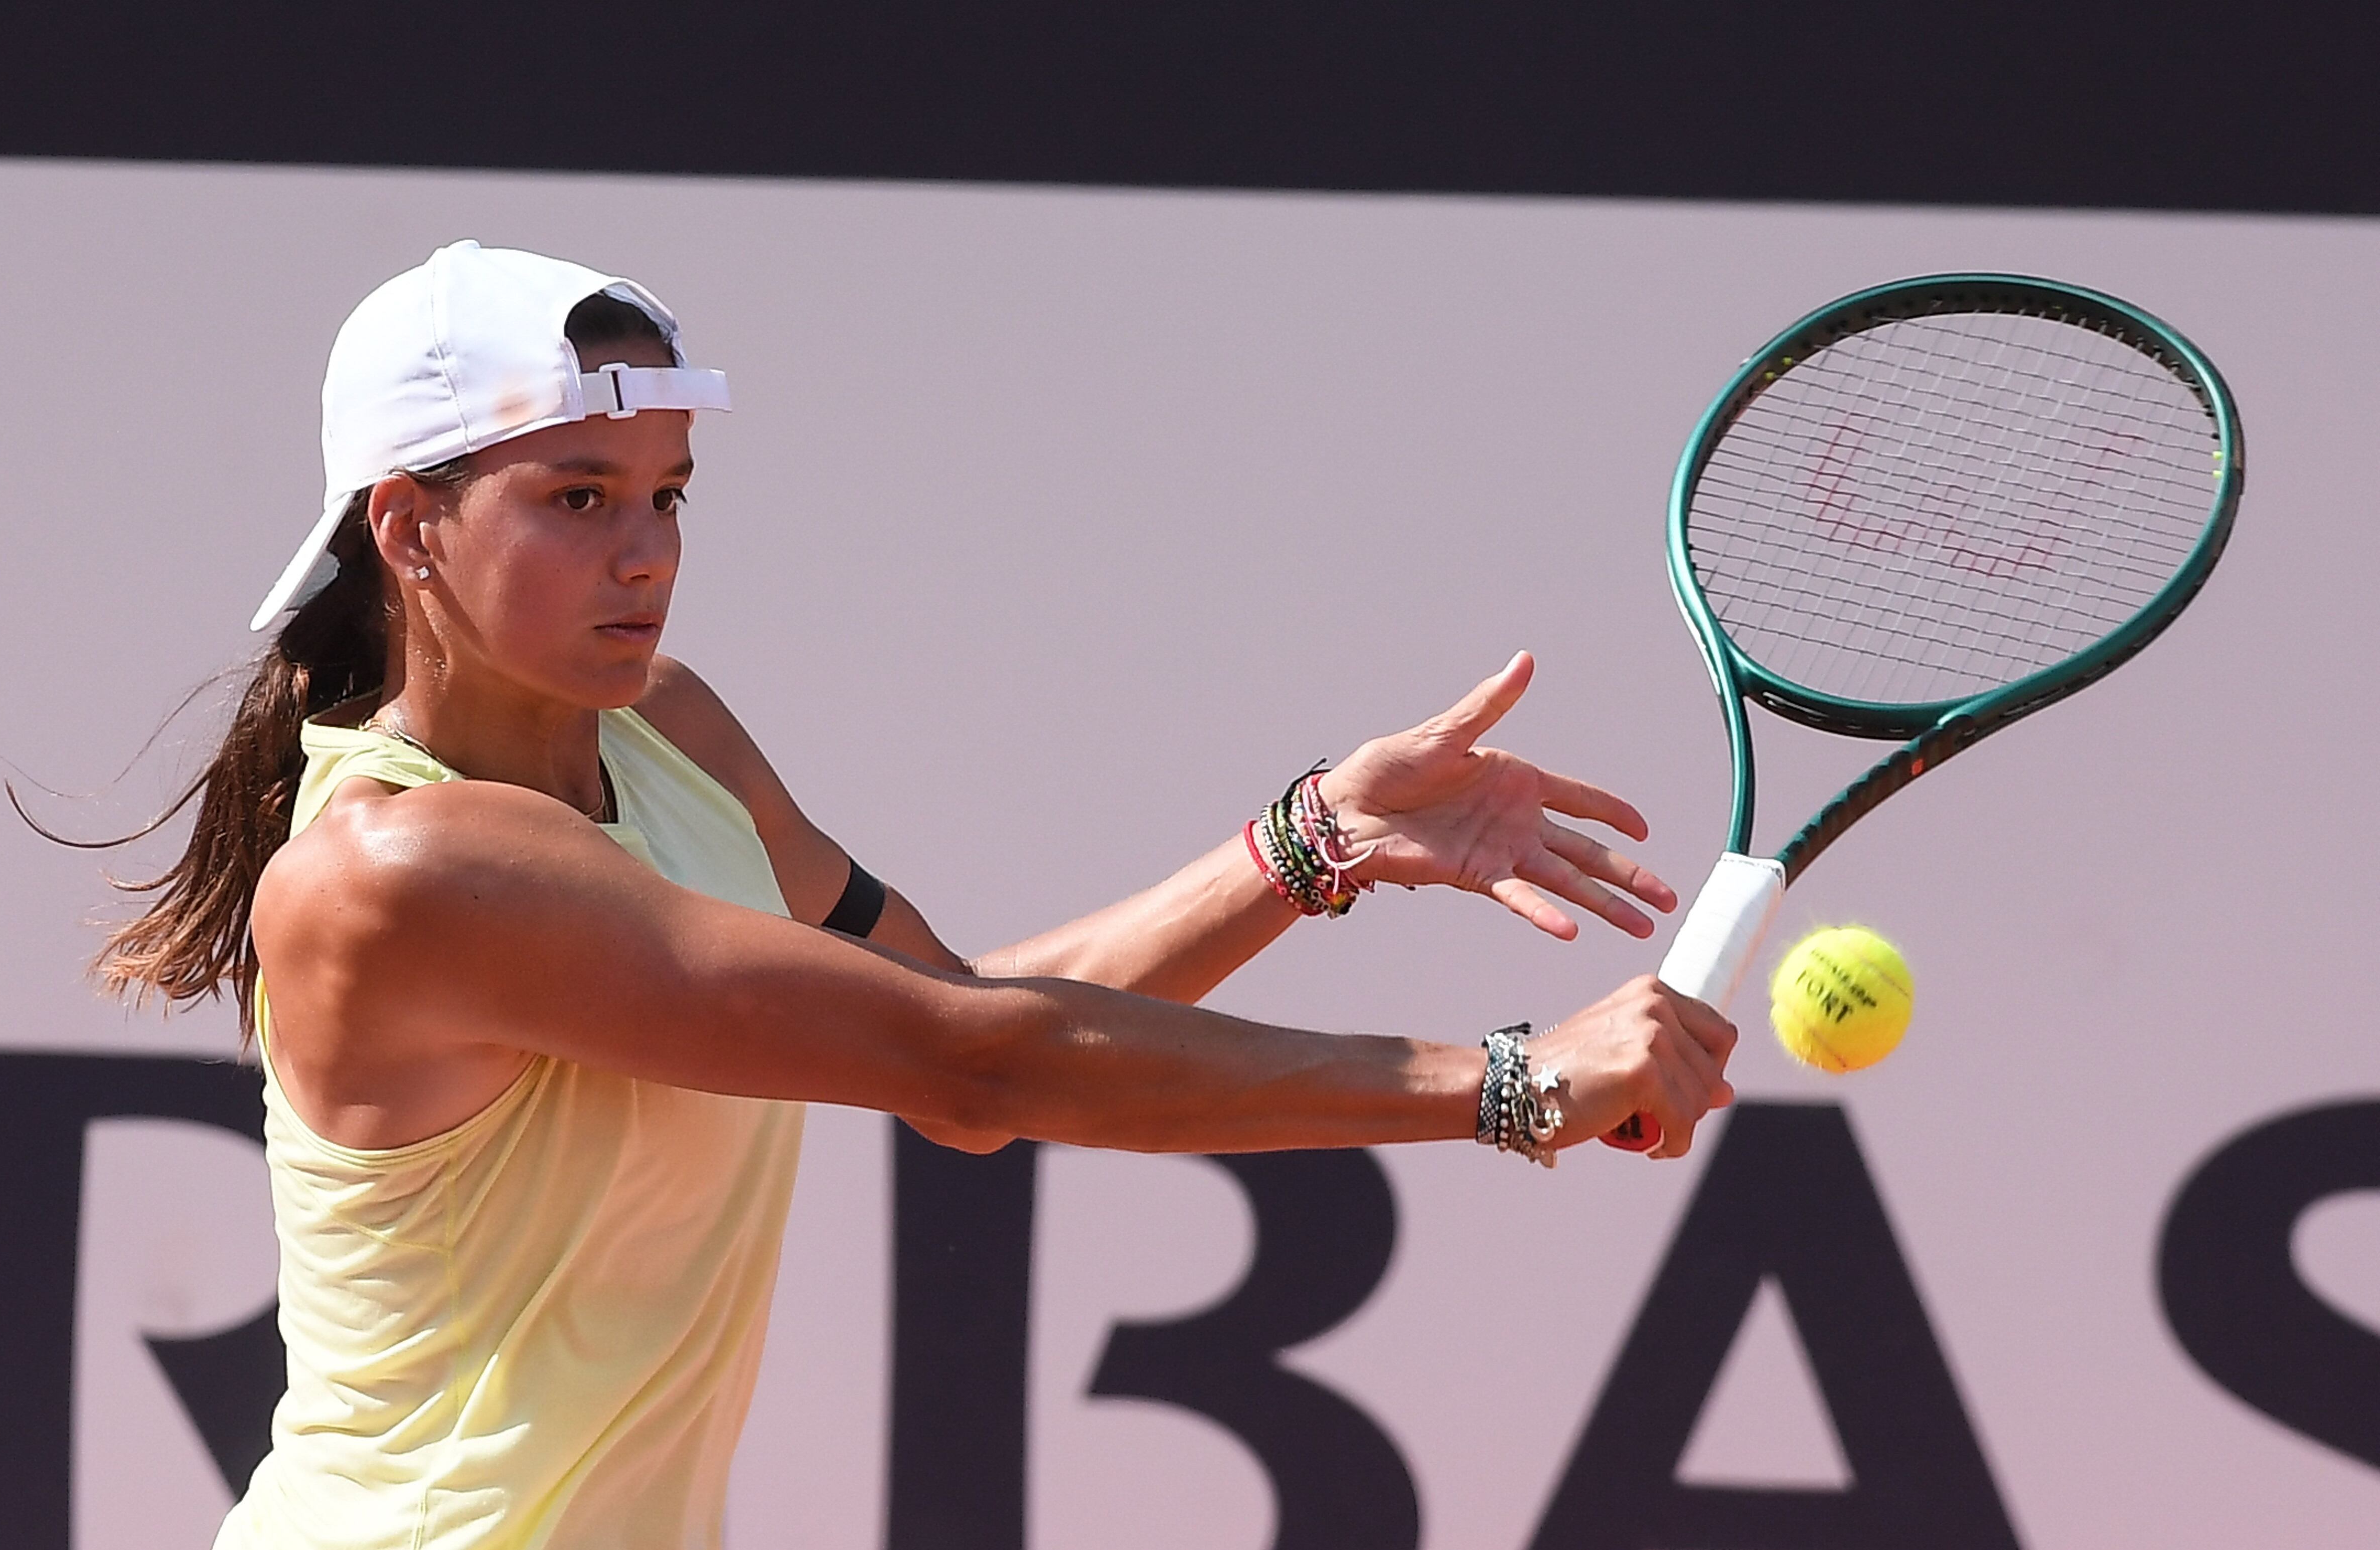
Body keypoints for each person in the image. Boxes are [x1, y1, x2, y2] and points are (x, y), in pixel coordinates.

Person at [92, 241, 1736, 1549]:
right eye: (577, 495)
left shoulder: (664, 728)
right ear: (411, 531)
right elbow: (979, 1067)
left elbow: (972, 1010)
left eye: (667, 492)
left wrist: (1306, 845)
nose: (649, 551)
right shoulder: (400, 869)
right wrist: (1511, 1086)